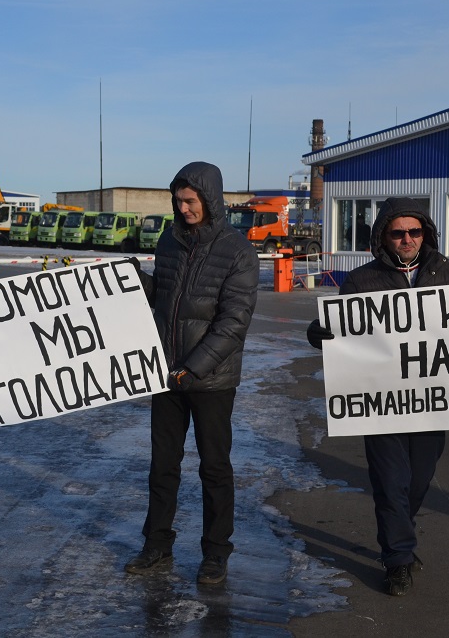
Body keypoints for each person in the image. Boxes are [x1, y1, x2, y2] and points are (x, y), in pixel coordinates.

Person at [307, 196, 449, 596]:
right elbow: (344, 335)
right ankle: (397, 559)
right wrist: (321, 334)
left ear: (425, 233)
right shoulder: (361, 281)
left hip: (434, 405)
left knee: (416, 483)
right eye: (398, 233)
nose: (407, 239)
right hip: (381, 405)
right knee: (390, 481)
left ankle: (399, 536)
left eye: (414, 231)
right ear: (384, 236)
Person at [125, 161, 259, 585]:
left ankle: (216, 552)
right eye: (178, 200)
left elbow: (234, 321)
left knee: (214, 467)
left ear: (210, 199)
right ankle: (156, 546)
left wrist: (193, 368)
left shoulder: (238, 250)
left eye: (190, 200)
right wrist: (132, 280)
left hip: (211, 380)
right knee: (162, 465)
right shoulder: (170, 241)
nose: (183, 208)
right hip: (165, 374)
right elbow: (163, 297)